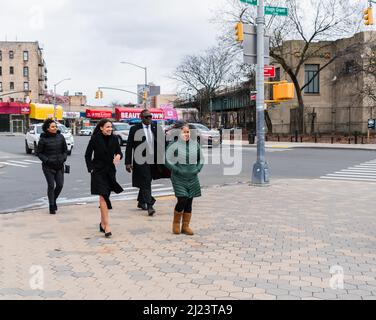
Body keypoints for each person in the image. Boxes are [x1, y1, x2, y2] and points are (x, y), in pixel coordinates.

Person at [85, 119, 123, 238]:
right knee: (103, 196)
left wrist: (118, 156)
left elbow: (119, 152)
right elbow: (87, 154)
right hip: (98, 171)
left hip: (110, 172)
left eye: (111, 127)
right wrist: (90, 168)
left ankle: (102, 223)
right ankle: (107, 226)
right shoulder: (95, 138)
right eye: (107, 127)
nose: (110, 129)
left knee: (105, 196)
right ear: (101, 128)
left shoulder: (114, 138)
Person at [165, 121, 204, 236]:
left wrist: (197, 169)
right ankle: (176, 223)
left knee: (189, 201)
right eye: (184, 132)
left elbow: (200, 159)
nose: (186, 134)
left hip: (192, 177)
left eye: (188, 132)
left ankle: (185, 226)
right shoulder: (173, 145)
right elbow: (167, 160)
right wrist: (176, 170)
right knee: (182, 199)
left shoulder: (194, 144)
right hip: (178, 177)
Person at [125, 109, 165, 216]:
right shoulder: (134, 129)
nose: (149, 119)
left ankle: (141, 201)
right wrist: (127, 162)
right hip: (141, 159)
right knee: (146, 180)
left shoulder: (156, 127)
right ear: (141, 117)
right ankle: (150, 205)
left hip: (154, 159)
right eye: (146, 117)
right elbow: (129, 146)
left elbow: (162, 143)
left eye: (150, 117)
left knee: (147, 180)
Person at [37, 119, 68, 215]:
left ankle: (53, 200)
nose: (55, 128)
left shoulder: (61, 137)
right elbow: (39, 153)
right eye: (53, 126)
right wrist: (47, 160)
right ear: (47, 128)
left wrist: (63, 158)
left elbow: (65, 150)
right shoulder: (43, 139)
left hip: (59, 166)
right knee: (51, 186)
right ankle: (51, 206)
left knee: (60, 185)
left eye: (55, 126)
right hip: (48, 167)